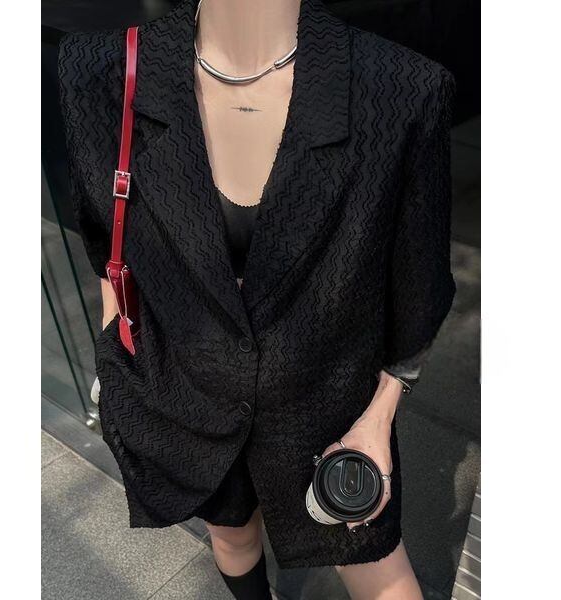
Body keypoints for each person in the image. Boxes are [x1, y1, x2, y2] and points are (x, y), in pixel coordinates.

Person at [58, 0, 456, 597]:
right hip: (184, 392)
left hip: (328, 408)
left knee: (375, 563)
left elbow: (420, 285)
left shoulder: (400, 89)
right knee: (231, 536)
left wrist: (377, 420)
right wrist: (119, 360)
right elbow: (105, 240)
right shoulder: (100, 71)